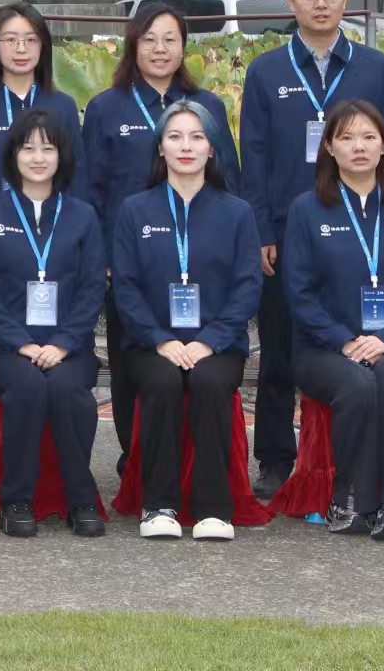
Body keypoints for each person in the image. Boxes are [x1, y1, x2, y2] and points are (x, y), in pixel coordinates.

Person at [239, 0, 384, 501]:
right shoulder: (266, 71)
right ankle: (274, 458)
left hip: (359, 234)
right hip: (285, 232)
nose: (321, 4)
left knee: (357, 340)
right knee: (278, 348)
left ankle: (354, 463)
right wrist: (262, 230)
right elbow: (254, 157)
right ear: (291, 3)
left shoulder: (374, 67)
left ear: (345, 2)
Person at [82, 0, 240, 474]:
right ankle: (136, 460)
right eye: (149, 39)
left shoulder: (208, 106)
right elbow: (90, 188)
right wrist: (101, 256)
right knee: (131, 362)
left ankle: (195, 466)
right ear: (133, 44)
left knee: (198, 364)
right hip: (130, 261)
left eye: (170, 39)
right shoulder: (106, 107)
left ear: (184, 46)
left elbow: (229, 181)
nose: (159, 48)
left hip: (199, 260)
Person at [280, 99, 384, 544]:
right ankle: (346, 496)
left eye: (369, 137)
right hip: (324, 349)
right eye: (346, 138)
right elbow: (299, 293)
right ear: (329, 148)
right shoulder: (308, 210)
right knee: (358, 383)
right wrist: (346, 341)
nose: (359, 147)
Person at [109, 100, 262, 542]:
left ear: (212, 148)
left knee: (210, 382)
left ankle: (214, 510)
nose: (186, 146)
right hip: (152, 344)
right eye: (175, 137)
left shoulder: (237, 212)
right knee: (162, 382)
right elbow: (126, 288)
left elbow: (247, 287)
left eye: (197, 137)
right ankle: (159, 505)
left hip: (217, 344)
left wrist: (209, 341)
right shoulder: (135, 210)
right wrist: (160, 340)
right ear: (160, 147)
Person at [0, 109, 106, 538]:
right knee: (27, 385)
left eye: (48, 148)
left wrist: (63, 343)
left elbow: (91, 288)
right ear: (13, 155)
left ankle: (81, 500)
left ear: (62, 156)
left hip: (69, 348)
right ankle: (15, 501)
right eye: (28, 148)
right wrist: (21, 343)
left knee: (68, 391)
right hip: (1, 349)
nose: (38, 157)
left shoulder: (83, 216)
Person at [0, 3, 83, 202]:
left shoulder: (63, 107)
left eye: (31, 40)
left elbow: (78, 179)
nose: (21, 49)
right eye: (10, 39)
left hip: (53, 219)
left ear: (43, 45)